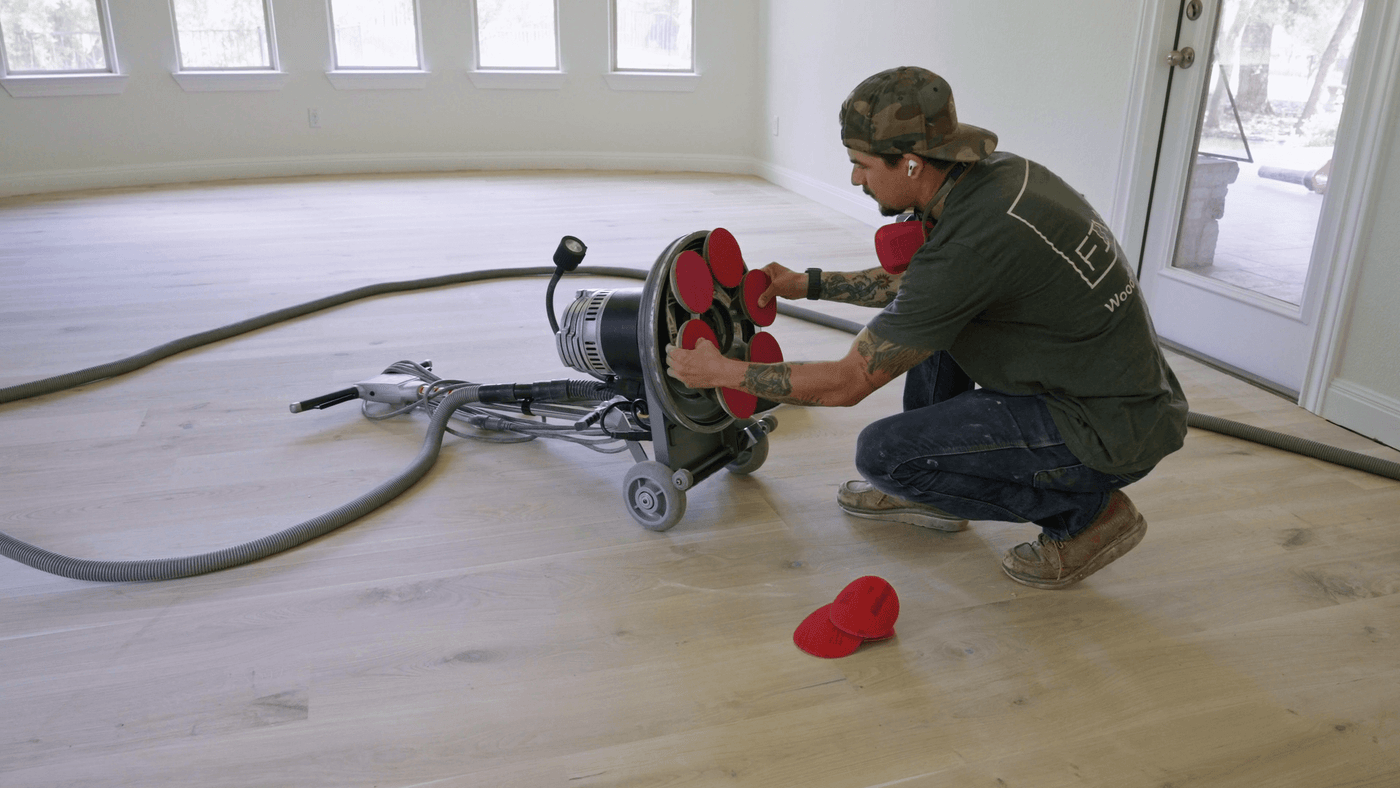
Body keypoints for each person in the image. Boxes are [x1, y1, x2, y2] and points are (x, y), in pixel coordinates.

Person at [666, 66, 1189, 590]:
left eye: (862, 165)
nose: (856, 179)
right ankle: (938, 493)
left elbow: (847, 383)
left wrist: (722, 372)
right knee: (926, 331)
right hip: (1113, 388)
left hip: (1105, 431)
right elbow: (926, 287)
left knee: (883, 456)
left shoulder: (970, 245)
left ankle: (1089, 518)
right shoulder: (993, 179)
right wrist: (810, 284)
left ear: (912, 163)